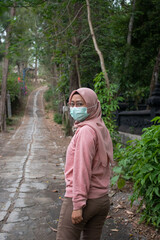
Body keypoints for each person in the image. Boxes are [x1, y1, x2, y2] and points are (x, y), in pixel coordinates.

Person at [56, 87, 113, 240]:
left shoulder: (86, 131)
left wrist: (78, 205)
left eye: (80, 104)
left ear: (92, 105)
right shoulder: (100, 127)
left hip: (85, 201)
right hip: (101, 200)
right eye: (72, 104)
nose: (75, 108)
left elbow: (82, 169)